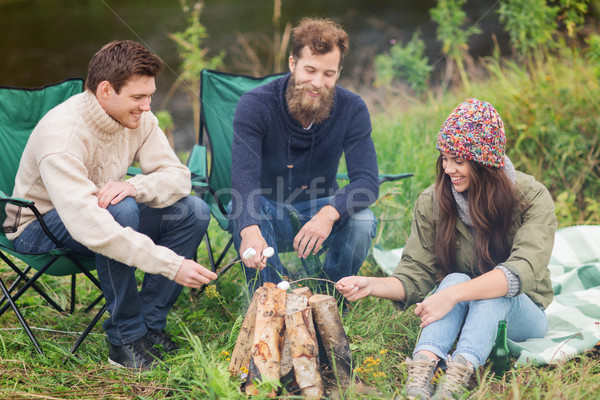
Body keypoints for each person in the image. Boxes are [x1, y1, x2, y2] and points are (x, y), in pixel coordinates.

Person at [3, 40, 217, 370]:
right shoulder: (63, 135)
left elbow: (178, 177)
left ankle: (148, 325)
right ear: (106, 90)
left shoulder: (138, 119)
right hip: (38, 227)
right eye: (138, 97)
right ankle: (125, 339)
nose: (148, 107)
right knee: (118, 210)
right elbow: (90, 223)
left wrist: (134, 185)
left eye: (150, 95)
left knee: (192, 210)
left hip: (103, 216)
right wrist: (171, 264)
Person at [336, 98, 557, 399]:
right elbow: (415, 274)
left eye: (459, 161)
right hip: (462, 305)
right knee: (454, 279)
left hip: (521, 310)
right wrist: (372, 284)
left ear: (485, 163)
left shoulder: (531, 198)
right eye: (444, 158)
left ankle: (457, 376)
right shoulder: (433, 202)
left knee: (489, 289)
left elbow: (520, 273)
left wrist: (450, 295)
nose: (448, 168)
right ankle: (422, 371)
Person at [229, 18, 379, 292]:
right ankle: (270, 302)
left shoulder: (352, 108)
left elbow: (367, 181)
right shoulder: (254, 105)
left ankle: (330, 295)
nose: (317, 82)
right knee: (243, 208)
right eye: (310, 70)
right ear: (292, 64)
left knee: (363, 219)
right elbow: (243, 178)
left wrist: (330, 213)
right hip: (269, 211)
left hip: (320, 208)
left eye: (328, 74)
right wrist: (249, 229)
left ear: (338, 73)